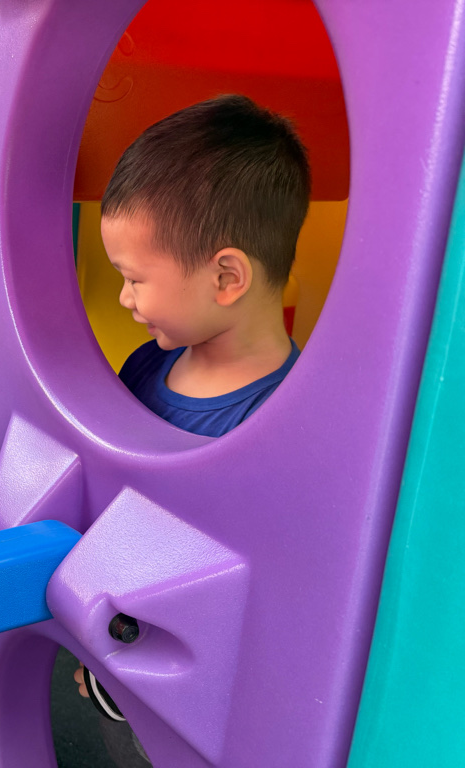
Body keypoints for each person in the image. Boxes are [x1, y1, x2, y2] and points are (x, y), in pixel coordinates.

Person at [74, 94, 312, 760]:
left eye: (134, 279)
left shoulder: (284, 421)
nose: (124, 299)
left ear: (226, 277)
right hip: (120, 634)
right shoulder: (147, 365)